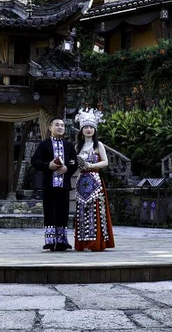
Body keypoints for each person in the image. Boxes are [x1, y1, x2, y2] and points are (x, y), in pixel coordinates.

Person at [31, 117, 78, 251]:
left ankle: (62, 241)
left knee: (63, 212)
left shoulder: (69, 146)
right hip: (49, 185)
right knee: (49, 212)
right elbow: (35, 161)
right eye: (57, 125)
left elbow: (74, 163)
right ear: (50, 127)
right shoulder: (44, 144)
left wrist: (67, 169)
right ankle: (50, 242)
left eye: (62, 125)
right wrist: (48, 165)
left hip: (64, 184)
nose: (60, 127)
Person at [74, 108, 115, 252]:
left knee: (95, 211)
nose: (88, 130)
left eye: (91, 127)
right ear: (81, 130)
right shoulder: (78, 147)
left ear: (95, 130)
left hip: (95, 181)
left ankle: (95, 243)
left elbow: (105, 162)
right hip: (82, 181)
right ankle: (83, 242)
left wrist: (91, 165)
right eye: (86, 127)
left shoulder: (98, 145)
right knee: (82, 211)